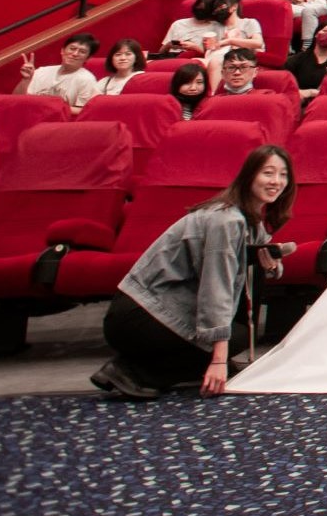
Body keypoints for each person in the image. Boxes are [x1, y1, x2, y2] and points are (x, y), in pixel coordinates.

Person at [90, 145, 293, 400]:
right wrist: (219, 359)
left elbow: (264, 253)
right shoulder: (227, 220)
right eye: (268, 173)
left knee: (234, 334)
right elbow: (215, 288)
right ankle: (133, 372)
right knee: (234, 337)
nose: (276, 181)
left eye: (283, 175)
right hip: (139, 315)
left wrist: (272, 266)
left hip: (156, 310)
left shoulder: (249, 219)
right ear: (249, 175)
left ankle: (175, 365)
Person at [16, 32, 102, 110]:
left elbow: (82, 111)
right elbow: (17, 98)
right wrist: (26, 79)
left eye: (82, 52)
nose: (75, 54)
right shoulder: (42, 71)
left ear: (88, 58)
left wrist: (51, 107)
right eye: (72, 49)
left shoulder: (86, 79)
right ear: (62, 51)